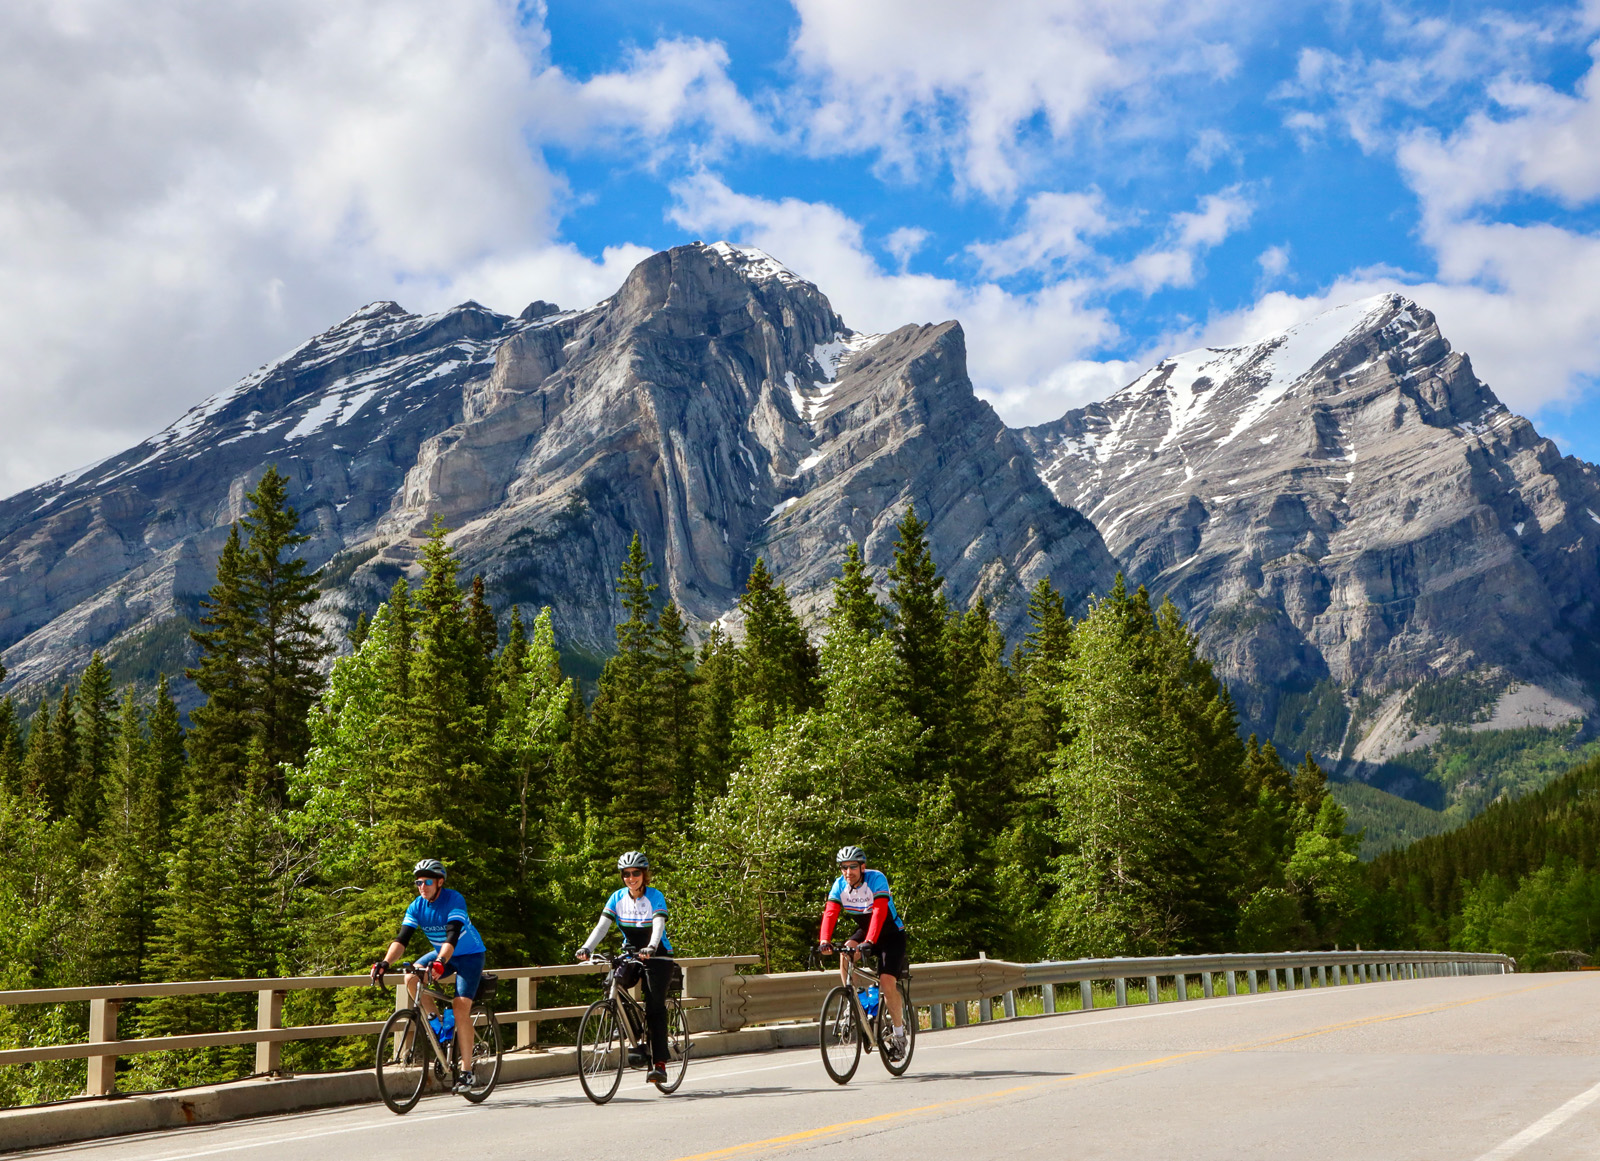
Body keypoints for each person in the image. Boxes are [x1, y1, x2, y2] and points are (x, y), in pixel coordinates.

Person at [370, 858, 488, 1093]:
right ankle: (438, 1024)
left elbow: (452, 936)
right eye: (418, 882)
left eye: (427, 882)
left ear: (440, 882)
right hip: (440, 954)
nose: (421, 886)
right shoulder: (416, 906)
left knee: (460, 1007)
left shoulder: (454, 900)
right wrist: (384, 962)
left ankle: (466, 1072)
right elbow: (402, 939)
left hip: (469, 956)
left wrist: (440, 962)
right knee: (411, 977)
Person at [576, 851, 676, 1085]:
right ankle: (632, 1034)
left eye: (636, 873)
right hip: (631, 952)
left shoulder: (655, 896)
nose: (631, 878)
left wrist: (651, 947)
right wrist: (586, 947)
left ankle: (659, 1064)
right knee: (615, 982)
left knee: (654, 1007)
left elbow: (658, 925)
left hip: (658, 955)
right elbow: (602, 927)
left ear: (644, 875)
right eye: (626, 874)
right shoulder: (617, 897)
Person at [817, 845, 910, 1059]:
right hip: (866, 931)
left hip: (891, 934)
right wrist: (824, 941)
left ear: (862, 867)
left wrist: (869, 941)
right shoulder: (839, 885)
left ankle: (899, 1035)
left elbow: (878, 911)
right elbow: (830, 913)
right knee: (845, 952)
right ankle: (855, 1001)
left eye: (852, 867)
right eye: (844, 867)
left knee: (887, 983)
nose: (848, 872)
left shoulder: (876, 879)